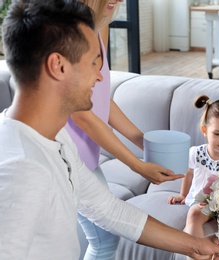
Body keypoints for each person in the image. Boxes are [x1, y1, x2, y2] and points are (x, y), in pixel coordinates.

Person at [0, 1, 219, 259]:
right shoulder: (19, 170)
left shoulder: (58, 141)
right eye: (92, 63)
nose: (100, 78)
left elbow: (110, 211)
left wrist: (196, 245)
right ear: (59, 66)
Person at [67, 0, 183, 258]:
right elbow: (82, 114)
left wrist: (144, 142)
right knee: (103, 241)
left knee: (104, 241)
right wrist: (137, 164)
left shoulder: (99, 28)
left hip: (86, 159)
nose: (119, 1)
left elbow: (100, 98)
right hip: (66, 159)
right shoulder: (67, 32)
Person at [167, 95, 219, 244]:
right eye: (217, 134)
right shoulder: (195, 153)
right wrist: (182, 194)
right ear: (204, 130)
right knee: (194, 213)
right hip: (201, 202)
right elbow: (189, 174)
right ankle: (194, 250)